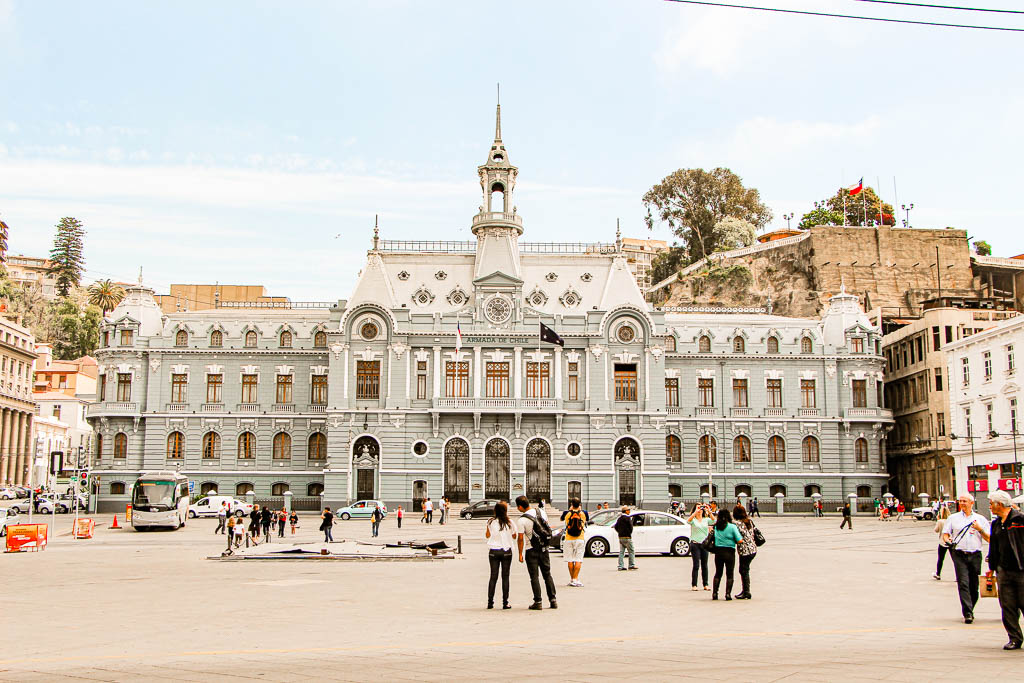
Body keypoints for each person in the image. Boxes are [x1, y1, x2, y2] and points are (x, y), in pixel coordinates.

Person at [941, 493, 991, 623]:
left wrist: (980, 530)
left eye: (965, 501)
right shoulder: (953, 518)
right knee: (963, 583)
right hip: (959, 554)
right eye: (960, 501)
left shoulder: (980, 519)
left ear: (971, 503)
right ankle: (967, 612)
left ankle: (970, 607)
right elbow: (945, 534)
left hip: (975, 554)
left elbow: (990, 539)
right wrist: (948, 539)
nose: (962, 503)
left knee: (974, 585)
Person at [987, 490, 1024, 649]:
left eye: (991, 504)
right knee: (1007, 606)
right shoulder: (996, 524)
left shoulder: (1020, 520)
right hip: (1003, 571)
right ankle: (1015, 638)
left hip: (1021, 570)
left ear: (999, 505)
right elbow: (993, 547)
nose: (990, 506)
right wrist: (991, 567)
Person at [516, 495, 556, 610]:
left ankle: (538, 602)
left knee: (534, 577)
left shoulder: (521, 520)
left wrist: (520, 554)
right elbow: (546, 527)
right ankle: (553, 600)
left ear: (520, 506)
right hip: (544, 549)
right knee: (547, 574)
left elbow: (520, 539)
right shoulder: (541, 512)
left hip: (531, 550)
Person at [485, 501, 516, 609]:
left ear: (495, 511)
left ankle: (490, 602)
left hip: (493, 551)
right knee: (505, 577)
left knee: (493, 576)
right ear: (505, 511)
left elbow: (487, 535)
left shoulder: (490, 522)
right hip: (506, 551)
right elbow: (515, 536)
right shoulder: (510, 522)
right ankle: (505, 602)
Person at [711, 508, 742, 601]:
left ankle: (715, 593)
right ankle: (728, 594)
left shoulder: (716, 527)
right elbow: (739, 540)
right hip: (730, 552)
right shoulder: (732, 527)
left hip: (718, 552)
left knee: (718, 573)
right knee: (729, 574)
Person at [560, 498, 588, 587]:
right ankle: (575, 579)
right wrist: (579, 510)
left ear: (571, 504)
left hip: (569, 538)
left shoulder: (567, 514)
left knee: (570, 559)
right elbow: (587, 519)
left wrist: (570, 510)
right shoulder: (583, 513)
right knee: (578, 559)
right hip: (580, 538)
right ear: (579, 504)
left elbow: (562, 519)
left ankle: (572, 579)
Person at [733, 505, 757, 600]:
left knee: (743, 570)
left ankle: (746, 592)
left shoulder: (737, 523)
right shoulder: (749, 521)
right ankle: (745, 590)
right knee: (744, 570)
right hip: (753, 549)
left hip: (745, 550)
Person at [687, 503, 712, 591]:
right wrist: (694, 513)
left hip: (704, 544)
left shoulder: (706, 519)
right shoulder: (693, 520)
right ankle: (694, 584)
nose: (700, 509)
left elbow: (714, 521)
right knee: (696, 565)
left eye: (701, 508)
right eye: (698, 508)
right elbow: (688, 521)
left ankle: (705, 584)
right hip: (695, 544)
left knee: (705, 565)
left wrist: (709, 511)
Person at [614, 506, 636, 571]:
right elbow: (631, 527)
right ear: (625, 511)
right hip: (627, 537)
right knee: (631, 551)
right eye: (628, 510)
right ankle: (631, 565)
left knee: (621, 552)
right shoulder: (628, 518)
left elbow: (616, 527)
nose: (629, 511)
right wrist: (629, 533)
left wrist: (620, 532)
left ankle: (620, 566)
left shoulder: (619, 518)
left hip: (621, 537)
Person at [933, 505, 951, 580]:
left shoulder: (940, 521)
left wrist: (938, 521)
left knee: (940, 559)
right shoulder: (951, 520)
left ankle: (938, 573)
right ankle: (958, 575)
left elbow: (936, 530)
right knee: (955, 560)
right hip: (951, 541)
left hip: (942, 542)